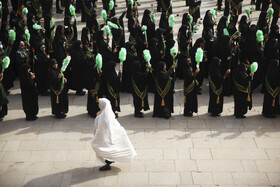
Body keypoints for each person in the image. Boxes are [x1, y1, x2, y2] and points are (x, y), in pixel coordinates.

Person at [91, 98, 137, 171]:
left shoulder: (102, 118)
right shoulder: (108, 114)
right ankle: (109, 160)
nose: (98, 105)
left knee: (104, 149)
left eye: (99, 104)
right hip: (107, 135)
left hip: (104, 137)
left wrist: (95, 139)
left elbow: (100, 129)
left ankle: (108, 163)